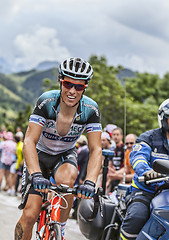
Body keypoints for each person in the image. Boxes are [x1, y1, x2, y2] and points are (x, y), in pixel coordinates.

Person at [15, 57, 102, 240]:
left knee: (69, 178)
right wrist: (36, 174)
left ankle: (60, 228)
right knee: (30, 215)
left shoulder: (90, 109)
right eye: (68, 84)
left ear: (85, 87)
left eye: (78, 87)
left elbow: (96, 149)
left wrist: (90, 182)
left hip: (64, 155)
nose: (72, 91)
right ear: (60, 81)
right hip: (38, 154)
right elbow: (30, 140)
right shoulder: (46, 102)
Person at [120, 99, 169, 240]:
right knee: (137, 216)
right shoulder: (149, 138)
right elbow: (137, 157)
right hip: (147, 190)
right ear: (164, 119)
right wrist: (147, 171)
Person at [107, 127, 124, 192]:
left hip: (122, 177)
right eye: (114, 135)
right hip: (112, 177)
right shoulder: (112, 149)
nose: (115, 137)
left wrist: (116, 173)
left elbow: (127, 167)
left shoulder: (124, 148)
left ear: (121, 136)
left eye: (117, 134)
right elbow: (110, 164)